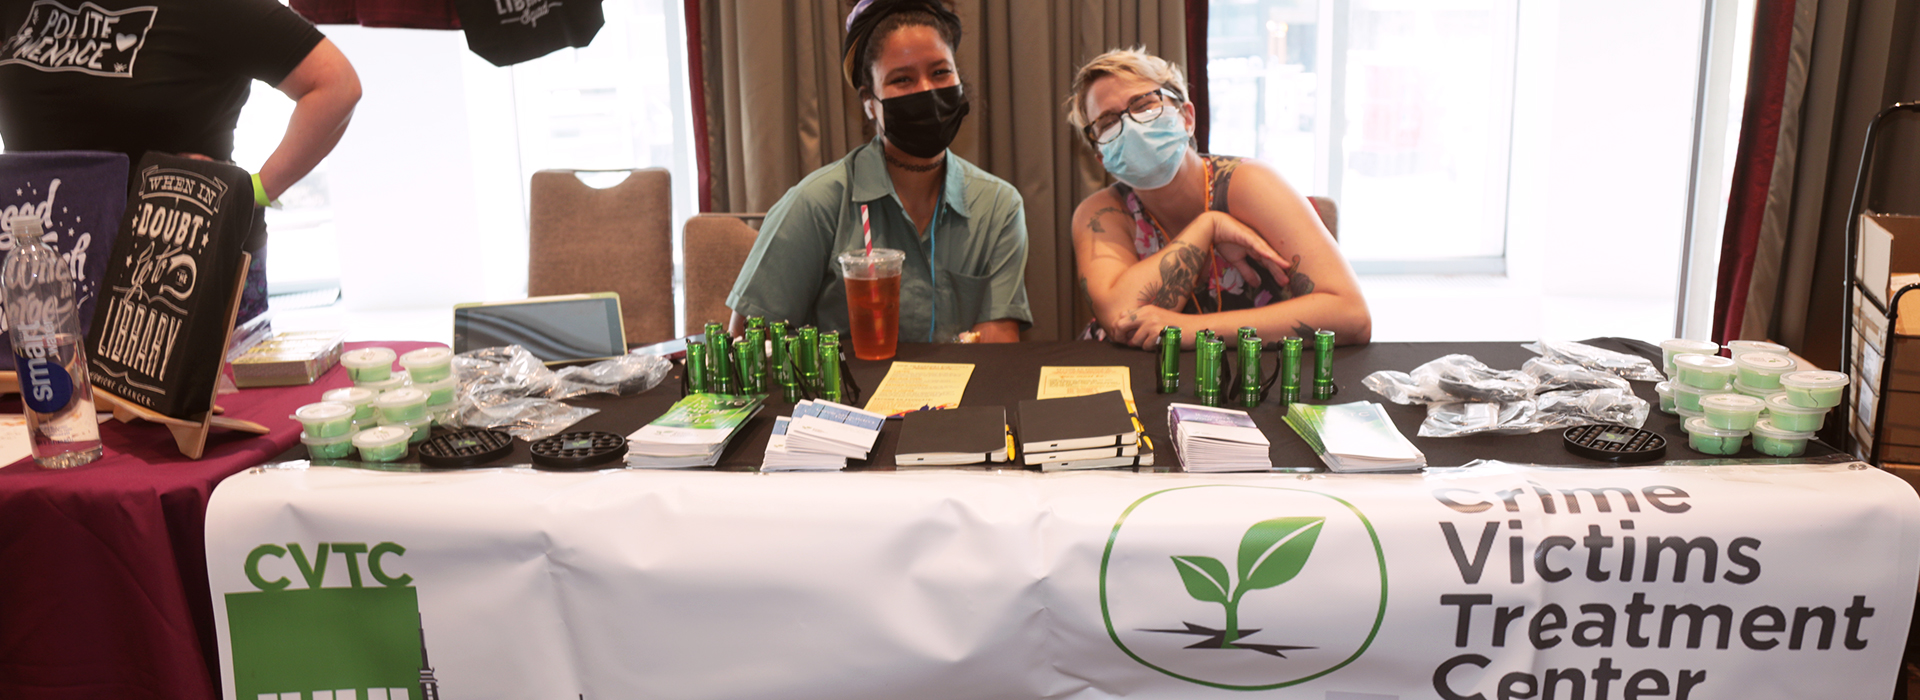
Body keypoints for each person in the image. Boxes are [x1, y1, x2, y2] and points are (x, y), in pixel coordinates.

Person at [0, 0, 361, 321]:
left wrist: (254, 190)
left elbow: (335, 83)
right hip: (40, 263)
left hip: (175, 269)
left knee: (210, 399)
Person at [726, 0, 1029, 343]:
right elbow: (746, 340)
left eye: (941, 72)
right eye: (902, 79)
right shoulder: (815, 205)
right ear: (870, 102)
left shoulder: (999, 206)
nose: (927, 90)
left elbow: (998, 350)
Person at [1065, 47, 1370, 348]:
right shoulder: (1100, 212)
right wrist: (1208, 226)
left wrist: (1191, 330)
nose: (1130, 125)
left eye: (1145, 104)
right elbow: (1121, 322)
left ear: (1187, 118)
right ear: (1100, 157)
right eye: (1108, 123)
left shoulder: (1250, 184)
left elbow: (1351, 315)